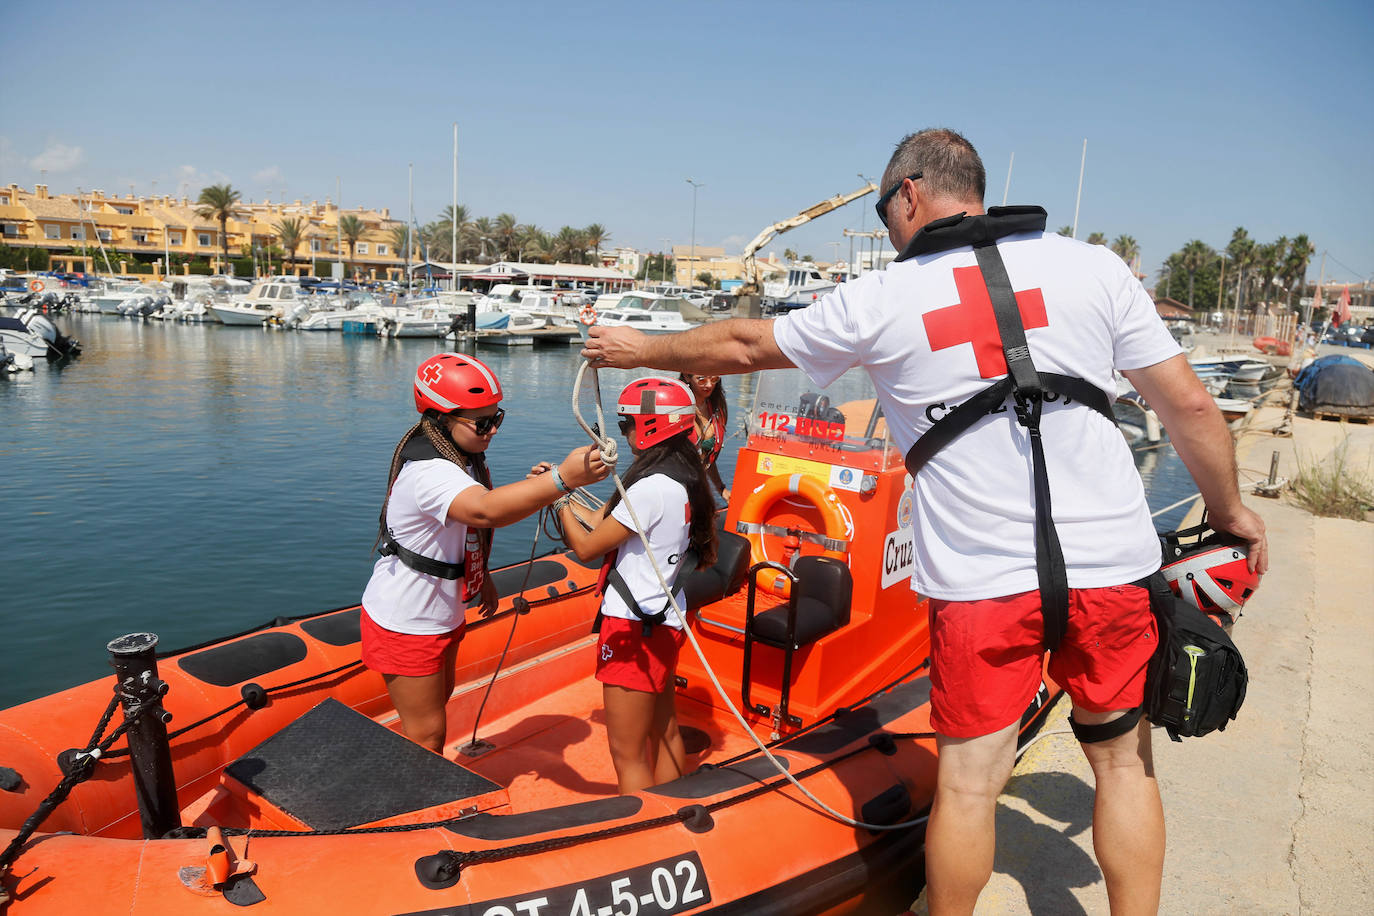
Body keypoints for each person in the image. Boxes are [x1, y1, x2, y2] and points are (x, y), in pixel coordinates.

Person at [582, 128, 1268, 915]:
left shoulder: (883, 297)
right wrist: (1231, 514)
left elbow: (742, 342)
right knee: (1121, 764)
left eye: (883, 213)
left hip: (982, 585)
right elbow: (1189, 406)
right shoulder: (1093, 268)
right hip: (1111, 570)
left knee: (970, 786)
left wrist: (642, 349)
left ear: (909, 194)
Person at [361, 351, 608, 755]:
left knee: (434, 710)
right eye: (482, 422)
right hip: (407, 618)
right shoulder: (430, 471)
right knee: (427, 734)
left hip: (440, 610)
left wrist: (481, 575)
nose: (493, 429)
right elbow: (484, 510)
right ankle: (417, 810)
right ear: (442, 417)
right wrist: (563, 479)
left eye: (497, 417)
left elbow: (463, 528)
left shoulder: (461, 457)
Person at [555, 377, 718, 793]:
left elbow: (588, 548)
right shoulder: (682, 479)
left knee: (627, 755)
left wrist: (556, 501)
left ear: (649, 425)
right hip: (665, 621)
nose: (623, 433)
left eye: (627, 424)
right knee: (664, 732)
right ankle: (675, 813)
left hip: (633, 628)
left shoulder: (648, 488)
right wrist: (567, 494)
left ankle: (644, 834)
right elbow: (613, 530)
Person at [679, 371, 730, 500]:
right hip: (676, 486)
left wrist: (721, 488)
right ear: (686, 376)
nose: (709, 385)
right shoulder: (676, 409)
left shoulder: (716, 409)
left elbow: (707, 459)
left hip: (697, 487)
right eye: (701, 379)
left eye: (714, 379)